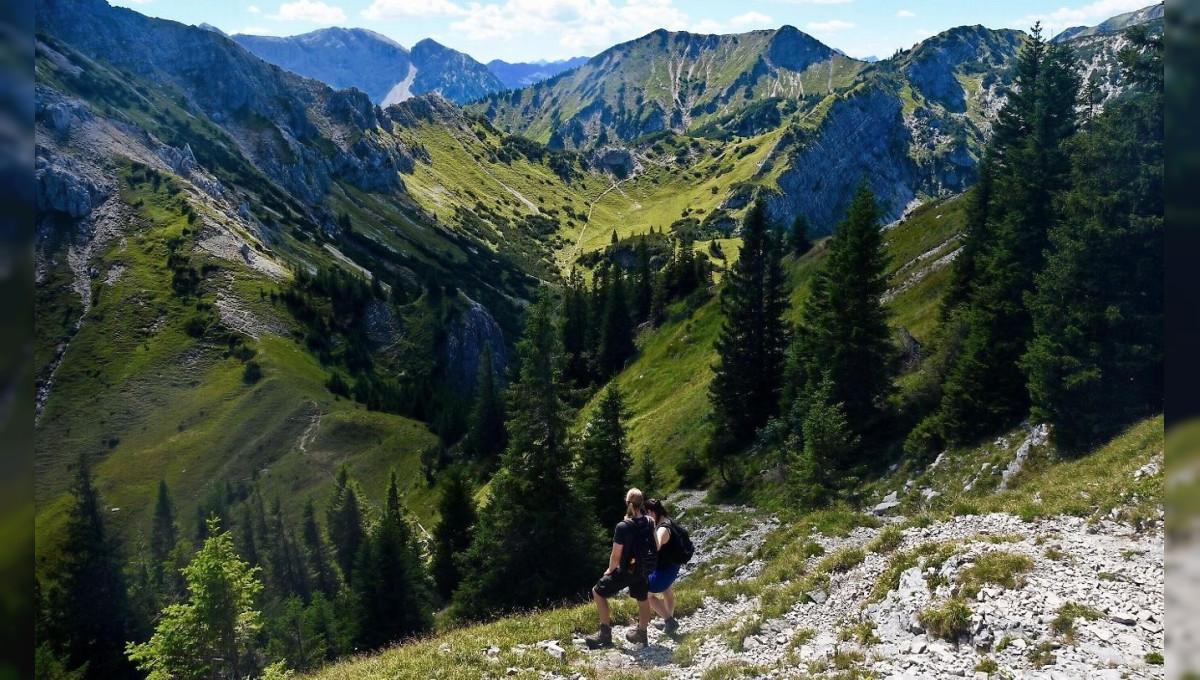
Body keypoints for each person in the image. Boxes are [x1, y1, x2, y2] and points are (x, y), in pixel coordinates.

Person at [584, 488, 657, 649]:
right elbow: (656, 545)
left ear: (626, 502)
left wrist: (610, 570)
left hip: (627, 570)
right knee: (643, 598)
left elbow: (616, 555)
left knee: (598, 591)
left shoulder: (622, 526)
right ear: (642, 503)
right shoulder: (650, 521)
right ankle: (642, 634)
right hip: (643, 569)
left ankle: (605, 634)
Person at [644, 498, 681, 635]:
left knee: (647, 595)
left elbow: (657, 546)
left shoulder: (662, 529)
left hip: (665, 569)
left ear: (651, 512)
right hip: (672, 566)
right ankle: (669, 619)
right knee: (667, 592)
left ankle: (669, 621)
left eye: (647, 513)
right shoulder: (668, 520)